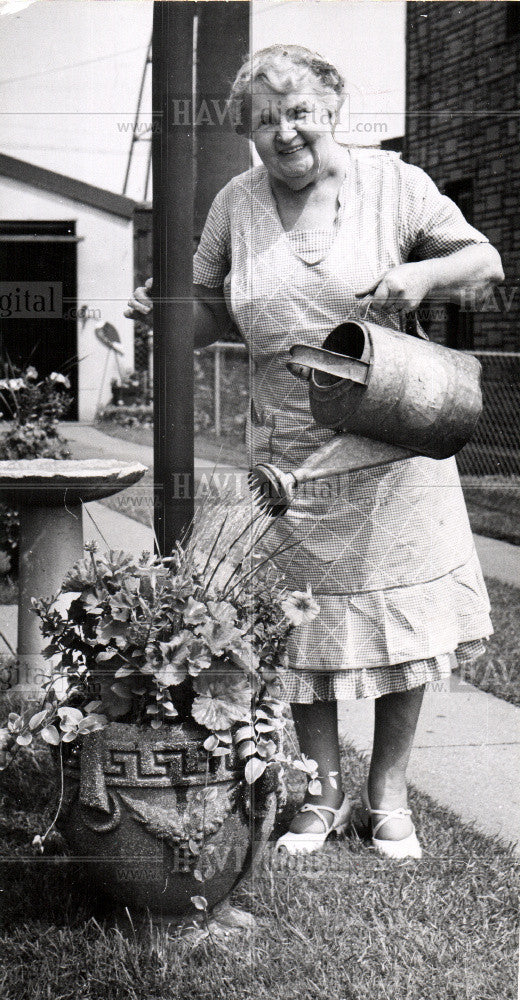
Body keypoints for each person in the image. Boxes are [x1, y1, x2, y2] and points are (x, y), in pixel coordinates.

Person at [126, 45, 504, 859]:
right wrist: (161, 310)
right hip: (288, 460)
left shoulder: (394, 186)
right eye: (266, 120)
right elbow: (210, 313)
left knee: (399, 625)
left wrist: (421, 279)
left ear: (333, 108)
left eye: (300, 112)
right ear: (249, 134)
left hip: (390, 445)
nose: (286, 131)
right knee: (306, 628)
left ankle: (388, 797)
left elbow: (486, 264)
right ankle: (321, 795)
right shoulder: (235, 203)